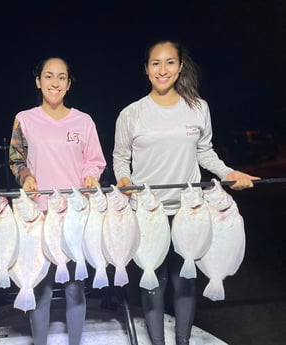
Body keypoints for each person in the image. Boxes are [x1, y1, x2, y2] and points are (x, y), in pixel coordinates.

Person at [112, 38, 260, 345]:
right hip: (148, 211)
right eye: (156, 63)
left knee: (185, 281)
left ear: (180, 68)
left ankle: (182, 342)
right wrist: (124, 179)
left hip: (188, 211)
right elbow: (120, 157)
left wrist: (228, 173)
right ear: (146, 69)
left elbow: (205, 153)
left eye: (169, 62)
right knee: (153, 280)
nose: (162, 69)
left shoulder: (198, 108)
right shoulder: (131, 113)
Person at [9, 57, 106, 345]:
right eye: (48, 76)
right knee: (42, 286)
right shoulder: (24, 119)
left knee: (75, 286)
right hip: (38, 215)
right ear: (38, 81)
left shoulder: (83, 121)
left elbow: (94, 160)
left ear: (69, 83)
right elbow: (16, 159)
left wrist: (90, 176)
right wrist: (25, 176)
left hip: (74, 214)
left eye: (61, 77)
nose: (55, 82)